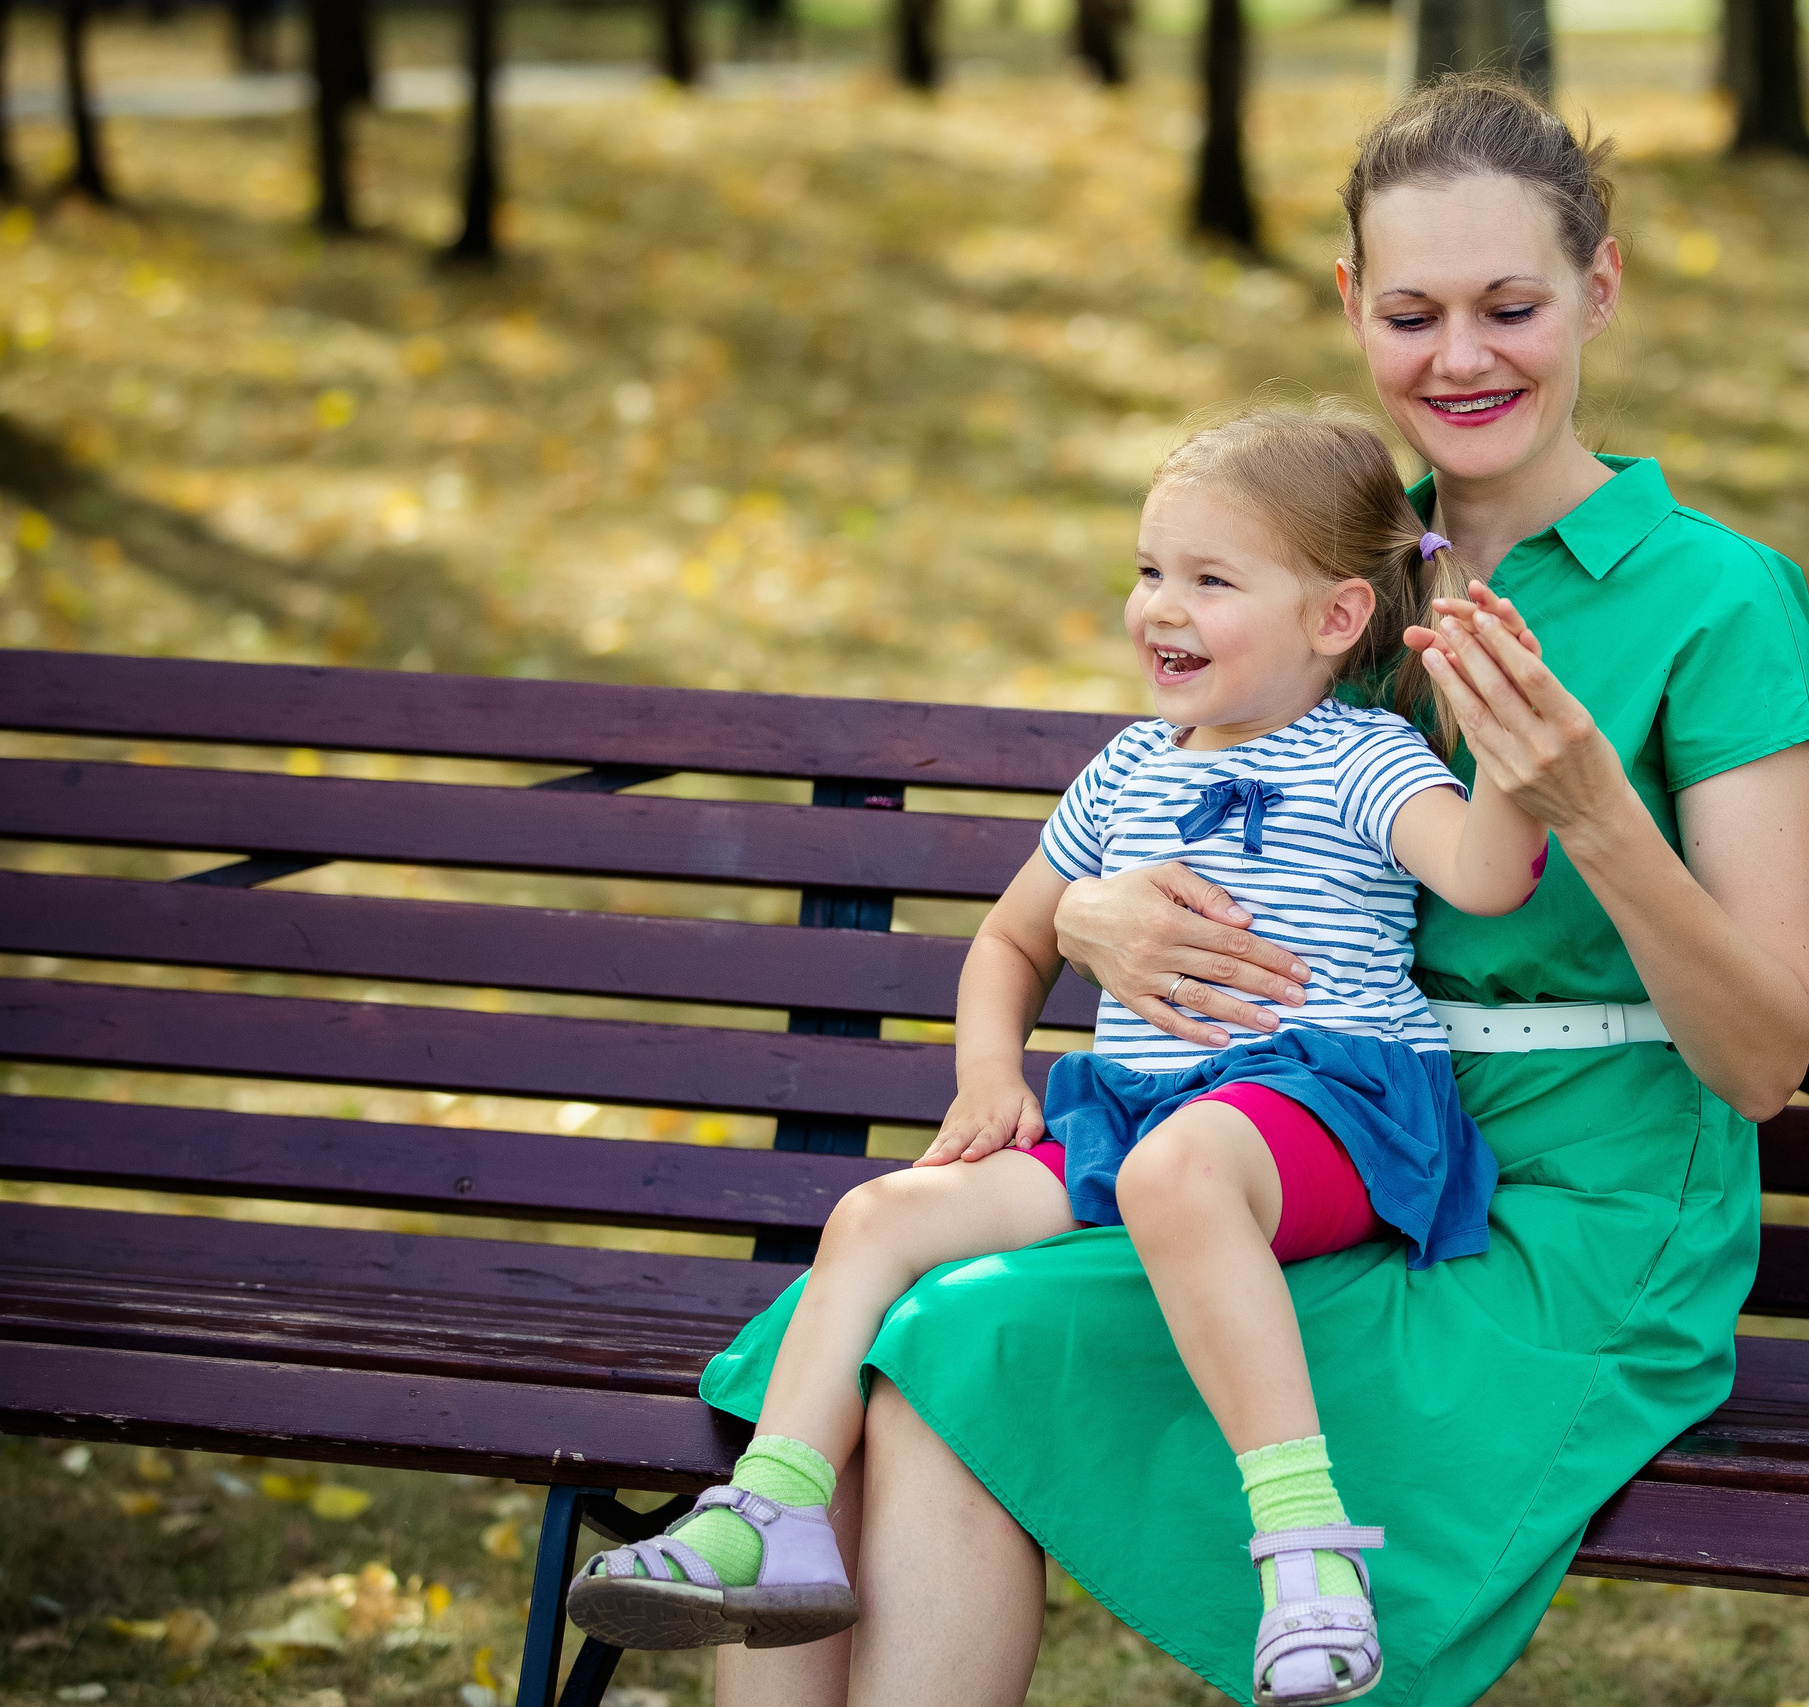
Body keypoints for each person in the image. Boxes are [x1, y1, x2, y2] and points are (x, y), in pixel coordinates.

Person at [694, 72, 1809, 1707]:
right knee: (925, 1324)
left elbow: (1768, 1058)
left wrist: (1594, 810)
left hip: (1574, 1215)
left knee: (966, 1344)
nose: (1463, 359)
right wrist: (1080, 920)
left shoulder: (1716, 597)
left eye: (1512, 305)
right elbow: (1169, 810)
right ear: (1352, 306)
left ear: (1600, 288)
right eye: (1415, 311)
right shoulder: (1327, 569)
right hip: (1287, 1151)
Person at [570, 405, 1551, 1704]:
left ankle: (1309, 1550)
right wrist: (991, 1073)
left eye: (1210, 579)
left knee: (1182, 1174)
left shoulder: (1363, 757)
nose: (1161, 607)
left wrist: (1513, 748)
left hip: (1326, 1115)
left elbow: (1487, 878)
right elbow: (1009, 943)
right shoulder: (1127, 771)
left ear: (1333, 619)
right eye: (1150, 570)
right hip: (1138, 1114)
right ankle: (774, 1512)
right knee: (876, 1217)